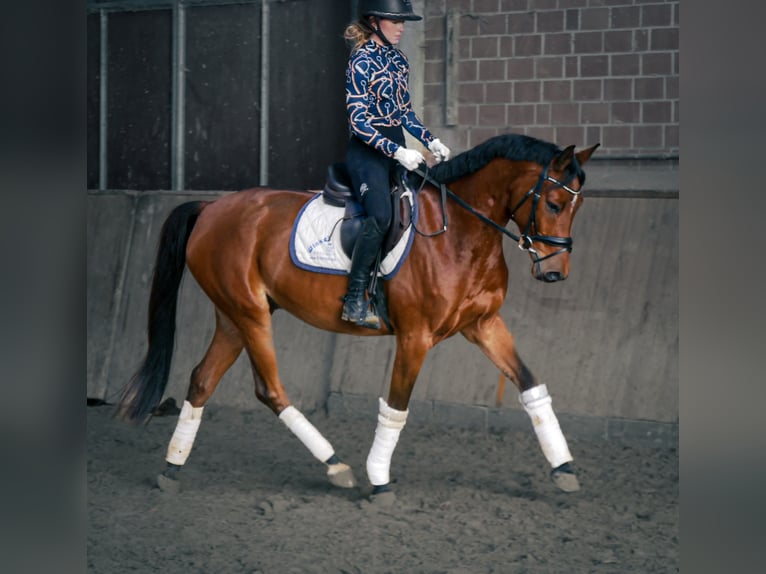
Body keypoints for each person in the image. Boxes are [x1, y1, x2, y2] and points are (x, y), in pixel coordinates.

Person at [341, 0, 451, 329]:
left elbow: (404, 113)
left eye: (403, 22)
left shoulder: (399, 60)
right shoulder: (360, 61)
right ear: (375, 22)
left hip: (397, 150)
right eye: (395, 21)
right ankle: (354, 297)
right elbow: (358, 121)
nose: (402, 27)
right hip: (367, 152)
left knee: (420, 209)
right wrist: (396, 151)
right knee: (380, 215)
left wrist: (429, 140)